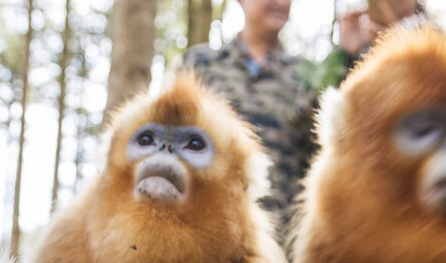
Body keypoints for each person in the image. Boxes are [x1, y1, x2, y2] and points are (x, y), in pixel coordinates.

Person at [180, 0, 421, 236]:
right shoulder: (200, 64)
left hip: (282, 235)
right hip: (208, 232)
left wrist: (348, 55)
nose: (280, 3)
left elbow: (328, 131)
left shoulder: (307, 73)